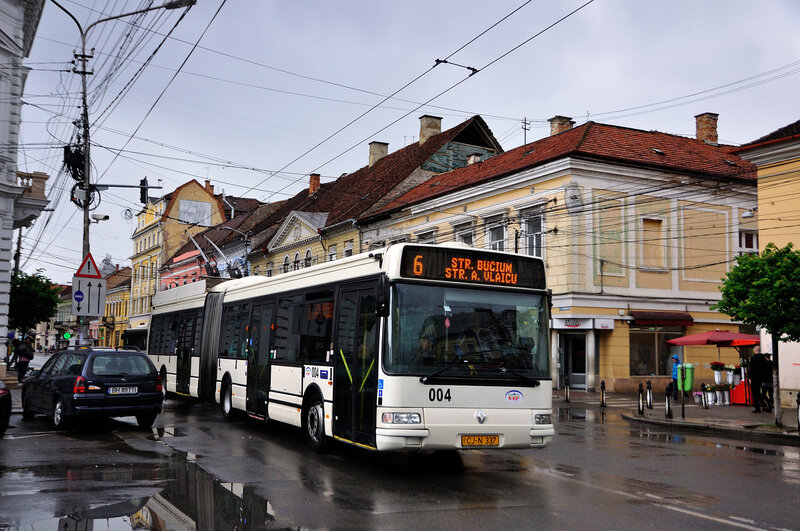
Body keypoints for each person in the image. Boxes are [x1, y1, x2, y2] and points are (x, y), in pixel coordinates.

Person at [749, 346, 767, 412]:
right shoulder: (763, 358)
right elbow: (765, 368)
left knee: (755, 392)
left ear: (754, 350)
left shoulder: (753, 358)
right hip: (762, 378)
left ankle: (757, 407)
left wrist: (750, 377)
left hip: (754, 378)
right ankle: (763, 404)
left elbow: (752, 369)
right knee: (758, 392)